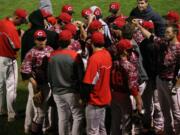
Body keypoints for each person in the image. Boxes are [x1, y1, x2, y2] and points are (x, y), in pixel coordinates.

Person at [133, 19, 180, 135]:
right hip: (160, 81)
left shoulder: (179, 48)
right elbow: (150, 36)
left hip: (171, 83)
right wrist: (139, 26)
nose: (166, 34)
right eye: (165, 32)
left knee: (177, 113)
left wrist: (177, 85)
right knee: (165, 111)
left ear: (175, 33)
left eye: (168, 33)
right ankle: (169, 132)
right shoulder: (164, 42)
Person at [48, 30, 84, 135]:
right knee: (78, 116)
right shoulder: (75, 56)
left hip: (56, 92)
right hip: (71, 91)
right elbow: (80, 76)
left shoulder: (52, 55)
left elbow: (49, 76)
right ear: (69, 41)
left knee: (63, 117)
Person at [21, 30, 54, 135]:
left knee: (44, 109)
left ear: (46, 39)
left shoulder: (50, 50)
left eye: (43, 39)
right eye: (39, 39)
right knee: (39, 112)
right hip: (36, 85)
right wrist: (35, 87)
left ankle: (40, 129)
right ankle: (34, 131)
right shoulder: (31, 52)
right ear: (35, 40)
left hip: (47, 84)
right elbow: (26, 71)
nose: (41, 41)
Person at [0, 8, 28, 122]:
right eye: (22, 21)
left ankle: (1, 110)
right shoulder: (12, 29)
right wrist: (20, 36)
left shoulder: (2, 22)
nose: (23, 23)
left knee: (0, 86)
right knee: (11, 87)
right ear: (16, 17)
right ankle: (11, 115)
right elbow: (16, 46)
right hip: (9, 60)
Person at [110, 39, 143, 135]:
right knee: (126, 123)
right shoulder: (129, 66)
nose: (131, 52)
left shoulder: (114, 62)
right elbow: (133, 87)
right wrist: (138, 101)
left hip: (113, 94)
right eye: (129, 50)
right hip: (124, 96)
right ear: (124, 51)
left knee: (115, 122)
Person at [82, 32, 112, 135]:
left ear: (92, 43)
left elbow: (89, 82)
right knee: (101, 127)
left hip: (95, 99)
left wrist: (84, 98)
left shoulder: (94, 59)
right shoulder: (107, 54)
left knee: (92, 130)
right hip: (105, 96)